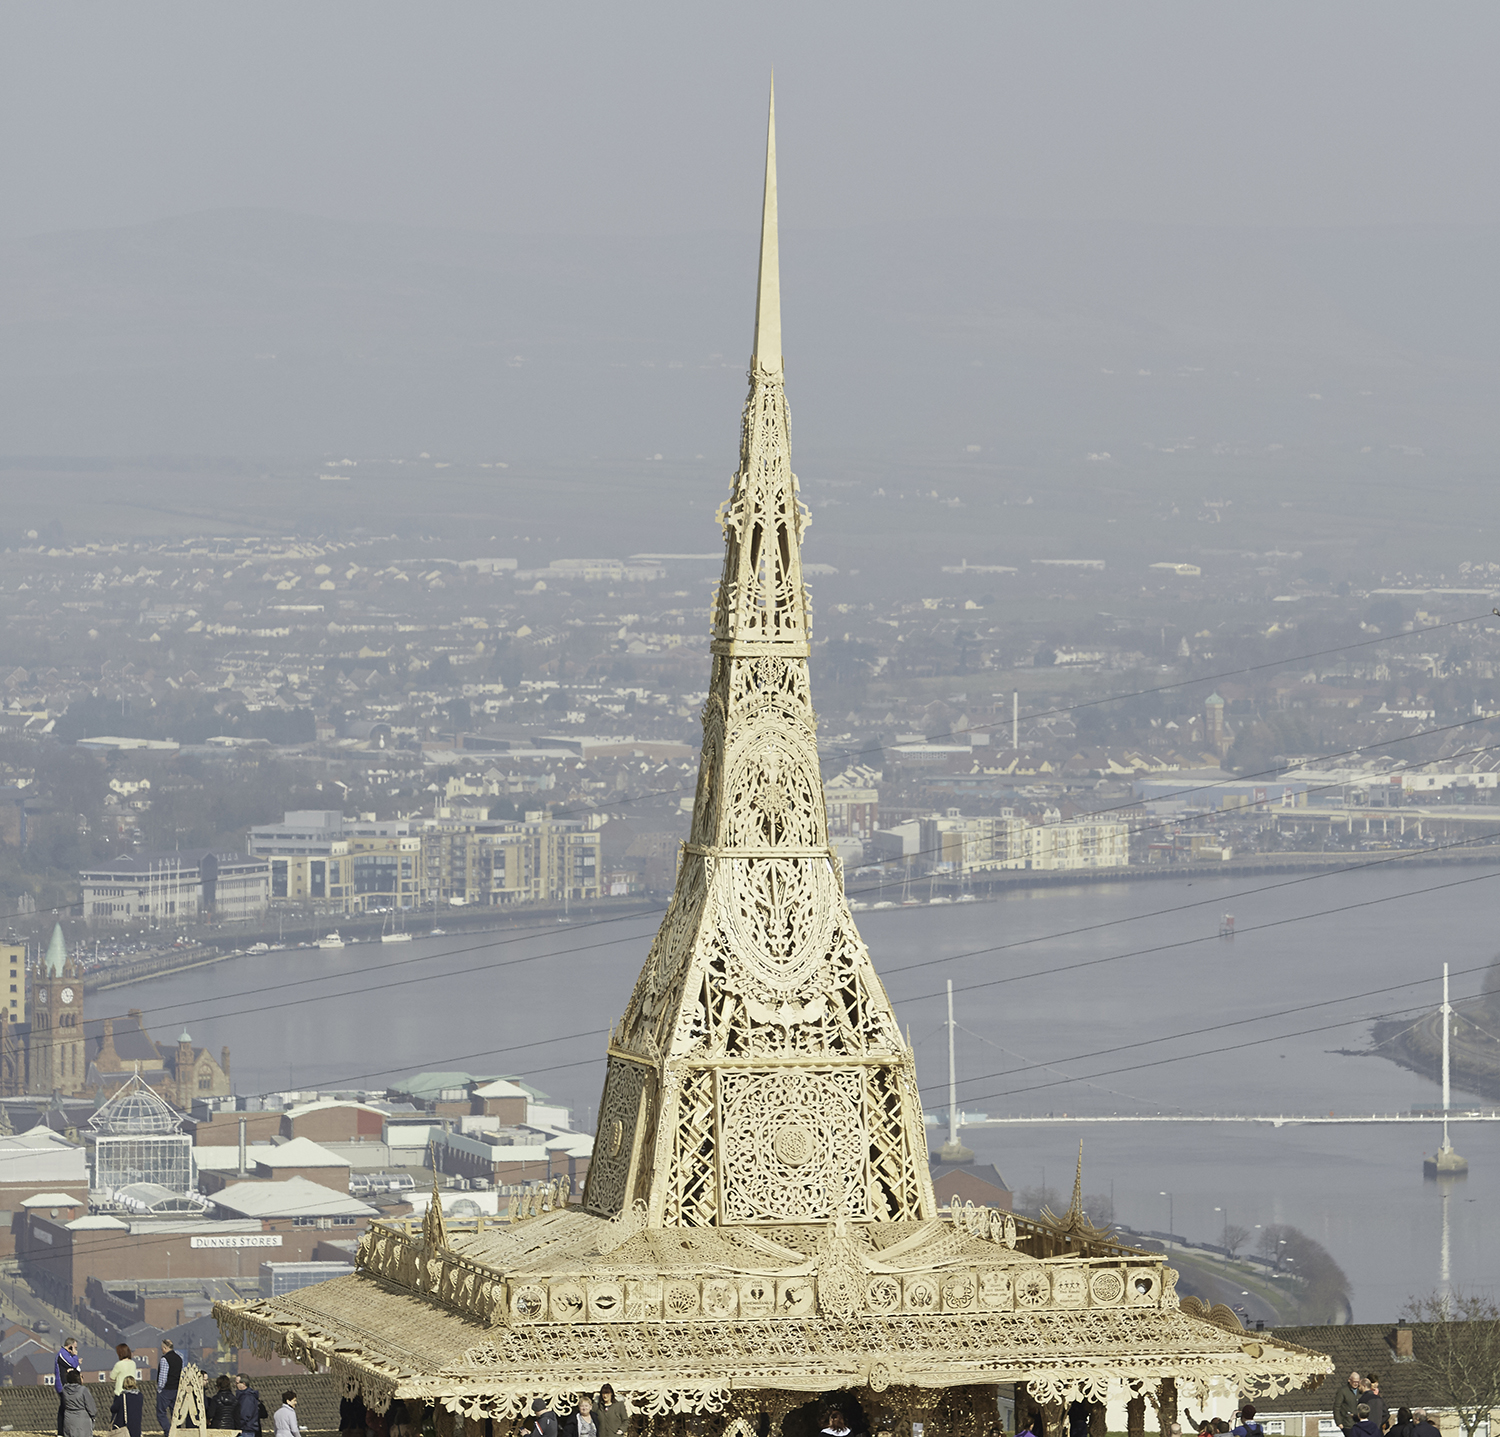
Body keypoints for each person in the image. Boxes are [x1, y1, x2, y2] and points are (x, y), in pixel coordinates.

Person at [54, 1337, 81, 1436]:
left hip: (66, 1385)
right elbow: (73, 1364)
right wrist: (75, 1356)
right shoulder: (62, 1354)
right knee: (64, 1408)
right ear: (70, 1346)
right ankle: (61, 1432)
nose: (76, 1350)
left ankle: (63, 1431)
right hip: (62, 1385)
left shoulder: (66, 1355)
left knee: (65, 1407)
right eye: (74, 1347)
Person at [158, 1338, 184, 1437]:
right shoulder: (180, 1357)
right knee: (176, 1412)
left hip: (166, 1390)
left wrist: (160, 1389)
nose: (162, 1351)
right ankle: (177, 1431)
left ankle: (168, 1432)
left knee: (161, 1412)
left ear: (165, 1348)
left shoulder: (165, 1359)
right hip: (176, 1389)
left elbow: (163, 1377)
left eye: (162, 1349)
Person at [60, 1368, 97, 1437]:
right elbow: (91, 1406)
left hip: (69, 1418)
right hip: (82, 1419)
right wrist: (93, 1416)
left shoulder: (65, 1390)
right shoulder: (83, 1390)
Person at [110, 1343, 136, 1430]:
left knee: (117, 1417)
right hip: (132, 1392)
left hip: (120, 1392)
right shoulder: (133, 1364)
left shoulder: (119, 1364)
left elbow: (112, 1377)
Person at [1333, 1372, 1363, 1437]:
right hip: (1347, 1424)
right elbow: (1337, 1407)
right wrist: (1339, 1422)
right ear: (1349, 1380)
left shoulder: (1361, 1391)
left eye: (1357, 1382)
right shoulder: (1343, 1391)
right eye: (1354, 1381)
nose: (1356, 1384)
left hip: (1359, 1423)